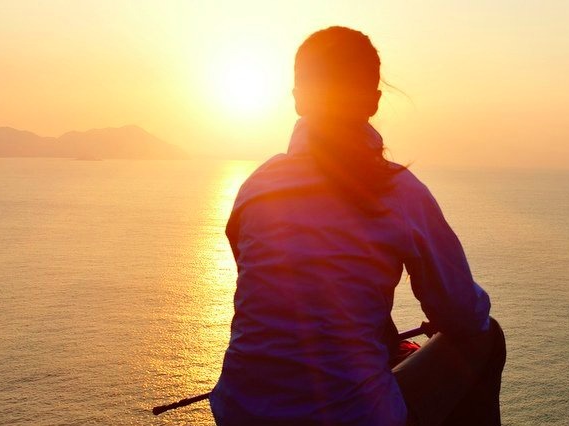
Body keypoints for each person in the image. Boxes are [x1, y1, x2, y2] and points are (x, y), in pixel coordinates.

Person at [209, 26, 505, 426]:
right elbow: (465, 317)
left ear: (298, 99)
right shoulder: (400, 191)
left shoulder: (256, 189)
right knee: (488, 337)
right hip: (355, 418)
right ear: (373, 100)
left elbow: (289, 293)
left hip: (240, 414)